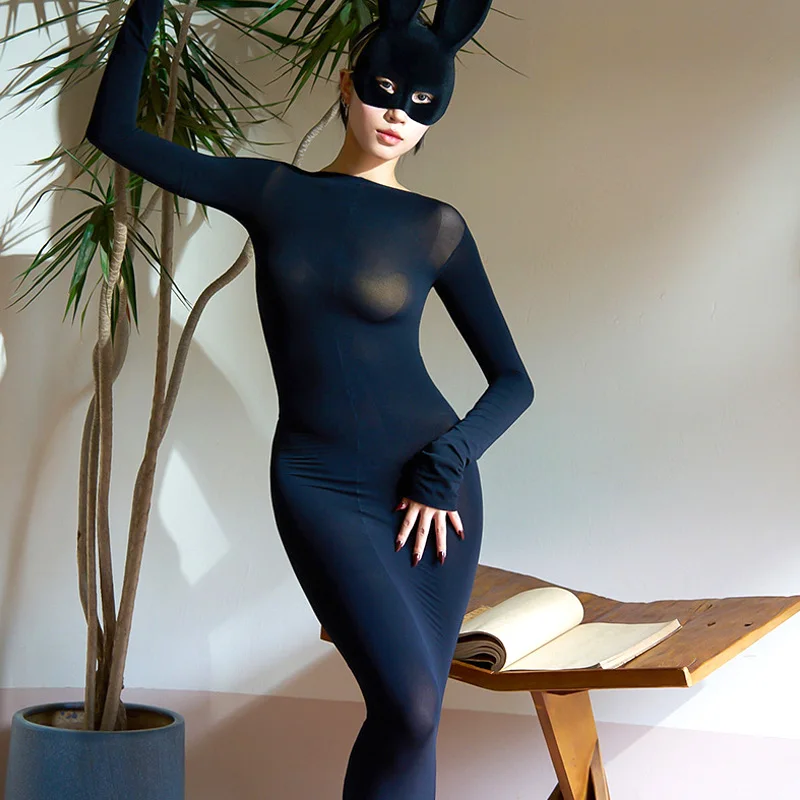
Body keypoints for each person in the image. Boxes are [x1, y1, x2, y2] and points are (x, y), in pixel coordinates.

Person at [86, 0, 534, 796]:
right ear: (346, 84)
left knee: (413, 718)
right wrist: (146, 10)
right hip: (318, 481)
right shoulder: (274, 192)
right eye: (384, 92)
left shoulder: (436, 227)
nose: (396, 115)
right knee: (410, 707)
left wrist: (450, 459)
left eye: (420, 105)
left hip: (433, 491)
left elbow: (513, 381)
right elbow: (115, 132)